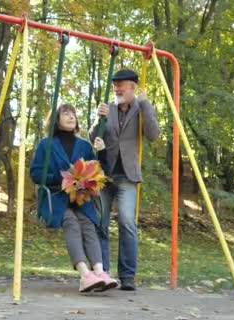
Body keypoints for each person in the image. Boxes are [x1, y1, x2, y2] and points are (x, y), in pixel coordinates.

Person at [30, 103, 118, 293]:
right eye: (66, 114)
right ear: (56, 119)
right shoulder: (47, 144)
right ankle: (85, 275)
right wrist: (62, 179)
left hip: (81, 196)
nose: (71, 117)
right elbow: (36, 174)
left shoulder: (84, 145)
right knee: (71, 222)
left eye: (73, 114)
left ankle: (100, 272)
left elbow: (102, 170)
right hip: (56, 196)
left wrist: (102, 151)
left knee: (88, 224)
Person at [89, 69, 160, 290]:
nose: (117, 89)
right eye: (115, 85)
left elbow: (153, 134)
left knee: (127, 222)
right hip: (105, 176)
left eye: (121, 85)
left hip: (128, 176)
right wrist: (99, 120)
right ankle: (103, 274)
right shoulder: (107, 108)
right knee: (100, 223)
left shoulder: (141, 109)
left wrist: (146, 104)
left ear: (132, 87)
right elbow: (93, 137)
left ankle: (127, 276)